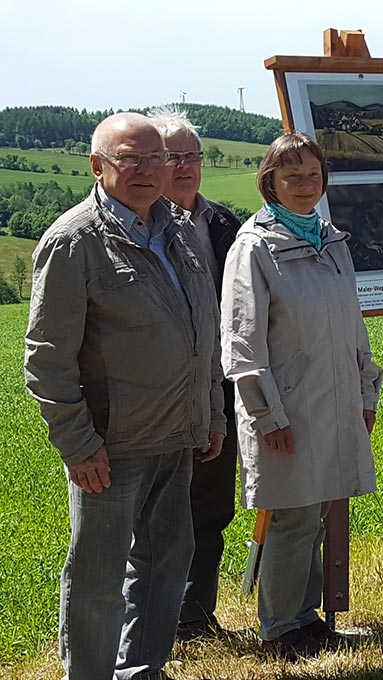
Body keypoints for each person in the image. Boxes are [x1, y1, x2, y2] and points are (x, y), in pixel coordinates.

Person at [24, 112, 225, 679]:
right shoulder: (73, 242)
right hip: (110, 448)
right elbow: (46, 356)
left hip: (177, 435)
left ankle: (141, 670)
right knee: (98, 578)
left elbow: (203, 329)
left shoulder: (181, 230)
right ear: (98, 165)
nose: (145, 170)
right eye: (129, 159)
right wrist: (77, 443)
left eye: (155, 158)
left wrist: (210, 410)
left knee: (165, 565)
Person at [220, 132, 382, 660]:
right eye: (291, 175)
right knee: (291, 515)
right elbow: (241, 343)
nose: (303, 184)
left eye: (312, 174)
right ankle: (280, 629)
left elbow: (352, 325)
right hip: (287, 405)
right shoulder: (254, 247)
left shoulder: (330, 239)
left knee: (313, 512)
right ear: (270, 182)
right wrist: (268, 416)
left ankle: (305, 619)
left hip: (332, 399)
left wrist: (365, 392)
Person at [148, 108, 243, 640]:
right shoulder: (141, 227)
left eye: (191, 155)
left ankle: (194, 619)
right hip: (160, 395)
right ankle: (152, 627)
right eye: (170, 156)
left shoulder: (225, 223)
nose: (183, 166)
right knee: (158, 519)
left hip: (220, 392)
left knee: (209, 509)